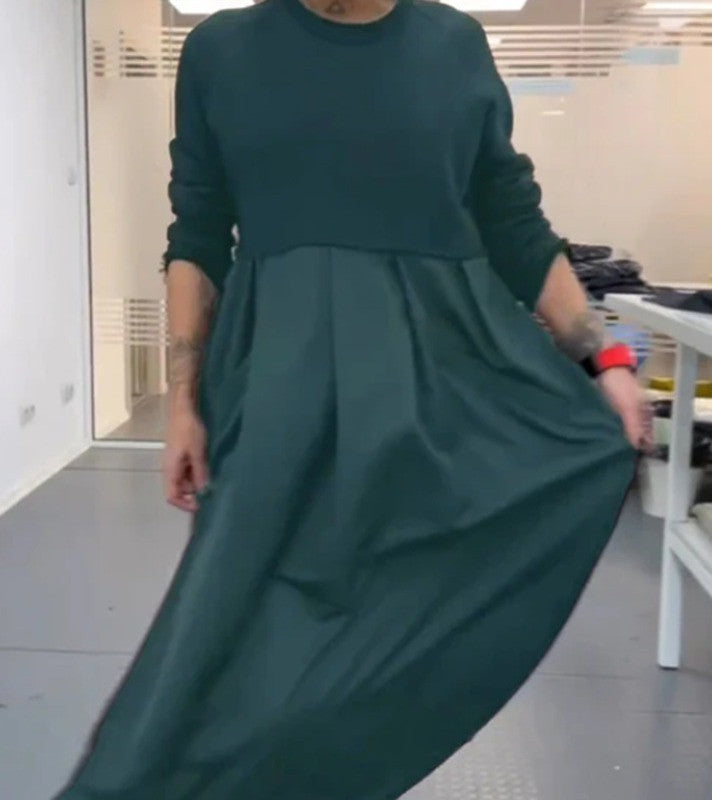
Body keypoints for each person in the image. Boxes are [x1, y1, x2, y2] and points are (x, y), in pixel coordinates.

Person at [55, 0, 651, 797]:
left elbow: (511, 219)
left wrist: (604, 358)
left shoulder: (453, 43)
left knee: (400, 607)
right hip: (277, 382)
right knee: (234, 624)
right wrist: (183, 403)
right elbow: (197, 232)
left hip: (443, 373)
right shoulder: (222, 51)